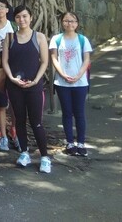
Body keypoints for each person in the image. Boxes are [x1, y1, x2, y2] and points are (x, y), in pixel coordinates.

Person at [1, 5, 52, 173]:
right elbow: (5, 62)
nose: (21, 20)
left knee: (36, 122)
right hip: (15, 86)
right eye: (18, 17)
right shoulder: (9, 37)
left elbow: (44, 61)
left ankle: (44, 156)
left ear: (30, 17)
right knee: (20, 120)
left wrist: (36, 80)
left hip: (34, 86)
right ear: (14, 19)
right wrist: (12, 78)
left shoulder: (39, 37)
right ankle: (24, 152)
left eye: (25, 16)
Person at [50, 12, 93, 157]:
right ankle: (69, 142)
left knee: (79, 113)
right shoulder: (56, 39)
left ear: (77, 23)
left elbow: (86, 59)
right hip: (62, 83)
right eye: (66, 21)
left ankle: (81, 143)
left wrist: (78, 75)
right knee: (67, 113)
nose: (70, 23)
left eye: (73, 21)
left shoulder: (83, 40)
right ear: (62, 22)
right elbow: (54, 59)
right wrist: (62, 74)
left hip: (80, 83)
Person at [0, 0, 18, 151]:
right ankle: (3, 136)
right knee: (1, 104)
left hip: (14, 70)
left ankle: (15, 130)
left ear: (7, 9)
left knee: (15, 104)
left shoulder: (14, 26)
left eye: (2, 6)